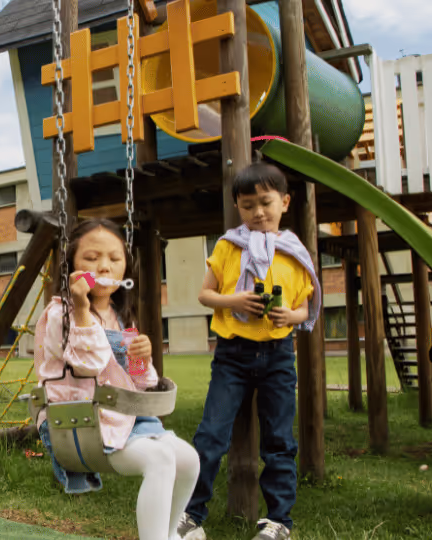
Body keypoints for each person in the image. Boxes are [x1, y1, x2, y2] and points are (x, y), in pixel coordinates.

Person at [175, 162, 322, 540]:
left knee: (279, 441)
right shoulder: (228, 246)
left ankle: (278, 522)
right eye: (247, 205)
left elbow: (305, 307)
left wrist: (291, 314)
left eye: (266, 202)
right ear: (238, 208)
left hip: (278, 356)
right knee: (210, 435)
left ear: (285, 202)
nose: (258, 212)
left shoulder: (294, 251)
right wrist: (234, 300)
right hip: (232, 356)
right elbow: (205, 294)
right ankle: (190, 513)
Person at [34, 218, 201, 540]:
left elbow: (138, 384)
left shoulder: (122, 317)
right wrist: (81, 309)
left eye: (114, 258)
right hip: (82, 422)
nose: (104, 267)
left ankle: (168, 535)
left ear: (126, 268)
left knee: (189, 460)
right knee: (160, 459)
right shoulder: (59, 313)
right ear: (72, 265)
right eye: (92, 258)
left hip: (124, 418)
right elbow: (87, 366)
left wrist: (141, 360)